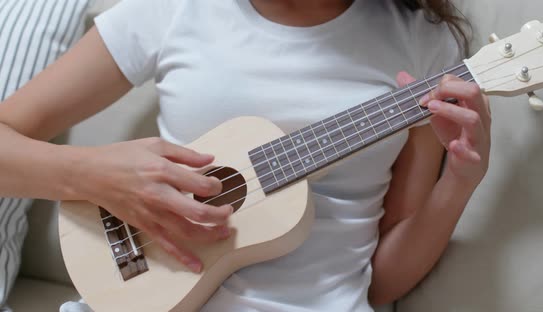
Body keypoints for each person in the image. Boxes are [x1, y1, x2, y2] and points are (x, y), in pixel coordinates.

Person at [0, 0, 491, 310]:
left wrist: (460, 182)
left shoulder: (424, 47)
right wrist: (96, 177)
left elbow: (383, 285)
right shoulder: (171, 9)